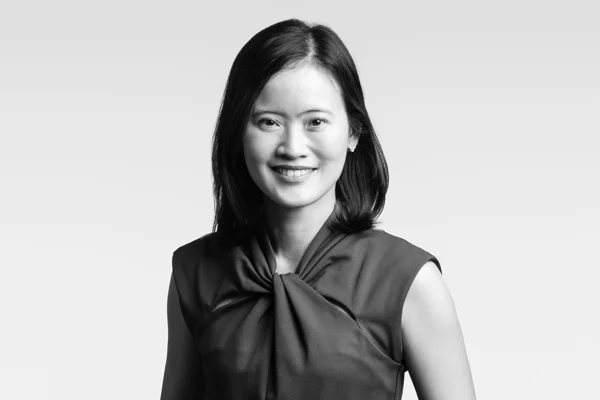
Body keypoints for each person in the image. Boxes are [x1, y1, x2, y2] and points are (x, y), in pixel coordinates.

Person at [160, 18, 476, 400]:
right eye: (269, 122)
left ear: (353, 131)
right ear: (238, 131)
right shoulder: (195, 273)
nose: (292, 147)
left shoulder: (410, 281)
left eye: (315, 122)